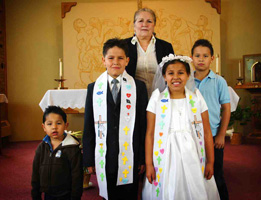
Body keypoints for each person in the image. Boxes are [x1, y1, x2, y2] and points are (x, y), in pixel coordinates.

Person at [142, 54, 220, 200]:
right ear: (164, 76)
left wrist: (210, 161)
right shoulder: (156, 98)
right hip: (165, 155)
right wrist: (149, 164)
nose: (176, 77)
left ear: (188, 75)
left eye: (181, 73)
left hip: (193, 153)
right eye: (170, 73)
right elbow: (150, 134)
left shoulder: (196, 98)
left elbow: (207, 133)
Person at [83, 38, 148, 200]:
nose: (115, 62)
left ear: (127, 60)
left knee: (129, 193)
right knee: (109, 193)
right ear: (103, 60)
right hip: (106, 154)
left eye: (120, 58)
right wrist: (88, 159)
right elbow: (89, 125)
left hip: (130, 154)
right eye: (111, 58)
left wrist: (142, 157)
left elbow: (142, 125)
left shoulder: (138, 87)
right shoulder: (93, 88)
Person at [191, 39, 231, 200]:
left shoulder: (219, 81)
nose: (201, 59)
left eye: (205, 56)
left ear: (212, 58)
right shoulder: (186, 80)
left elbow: (226, 108)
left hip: (213, 135)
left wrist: (221, 134)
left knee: (215, 171)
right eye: (197, 55)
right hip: (192, 135)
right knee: (195, 172)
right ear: (191, 57)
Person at [31, 106, 83, 200]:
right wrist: (36, 194)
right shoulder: (41, 148)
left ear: (66, 125)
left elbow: (77, 176)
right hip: (48, 195)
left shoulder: (72, 148)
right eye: (49, 124)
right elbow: (35, 173)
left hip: (66, 195)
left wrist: (75, 196)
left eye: (58, 123)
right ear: (44, 127)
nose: (54, 127)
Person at [125, 7, 174, 97]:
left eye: (149, 21)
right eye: (140, 21)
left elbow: (172, 73)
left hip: (161, 98)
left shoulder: (166, 47)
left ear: (154, 25)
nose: (145, 24)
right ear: (134, 25)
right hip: (133, 98)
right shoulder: (123, 46)